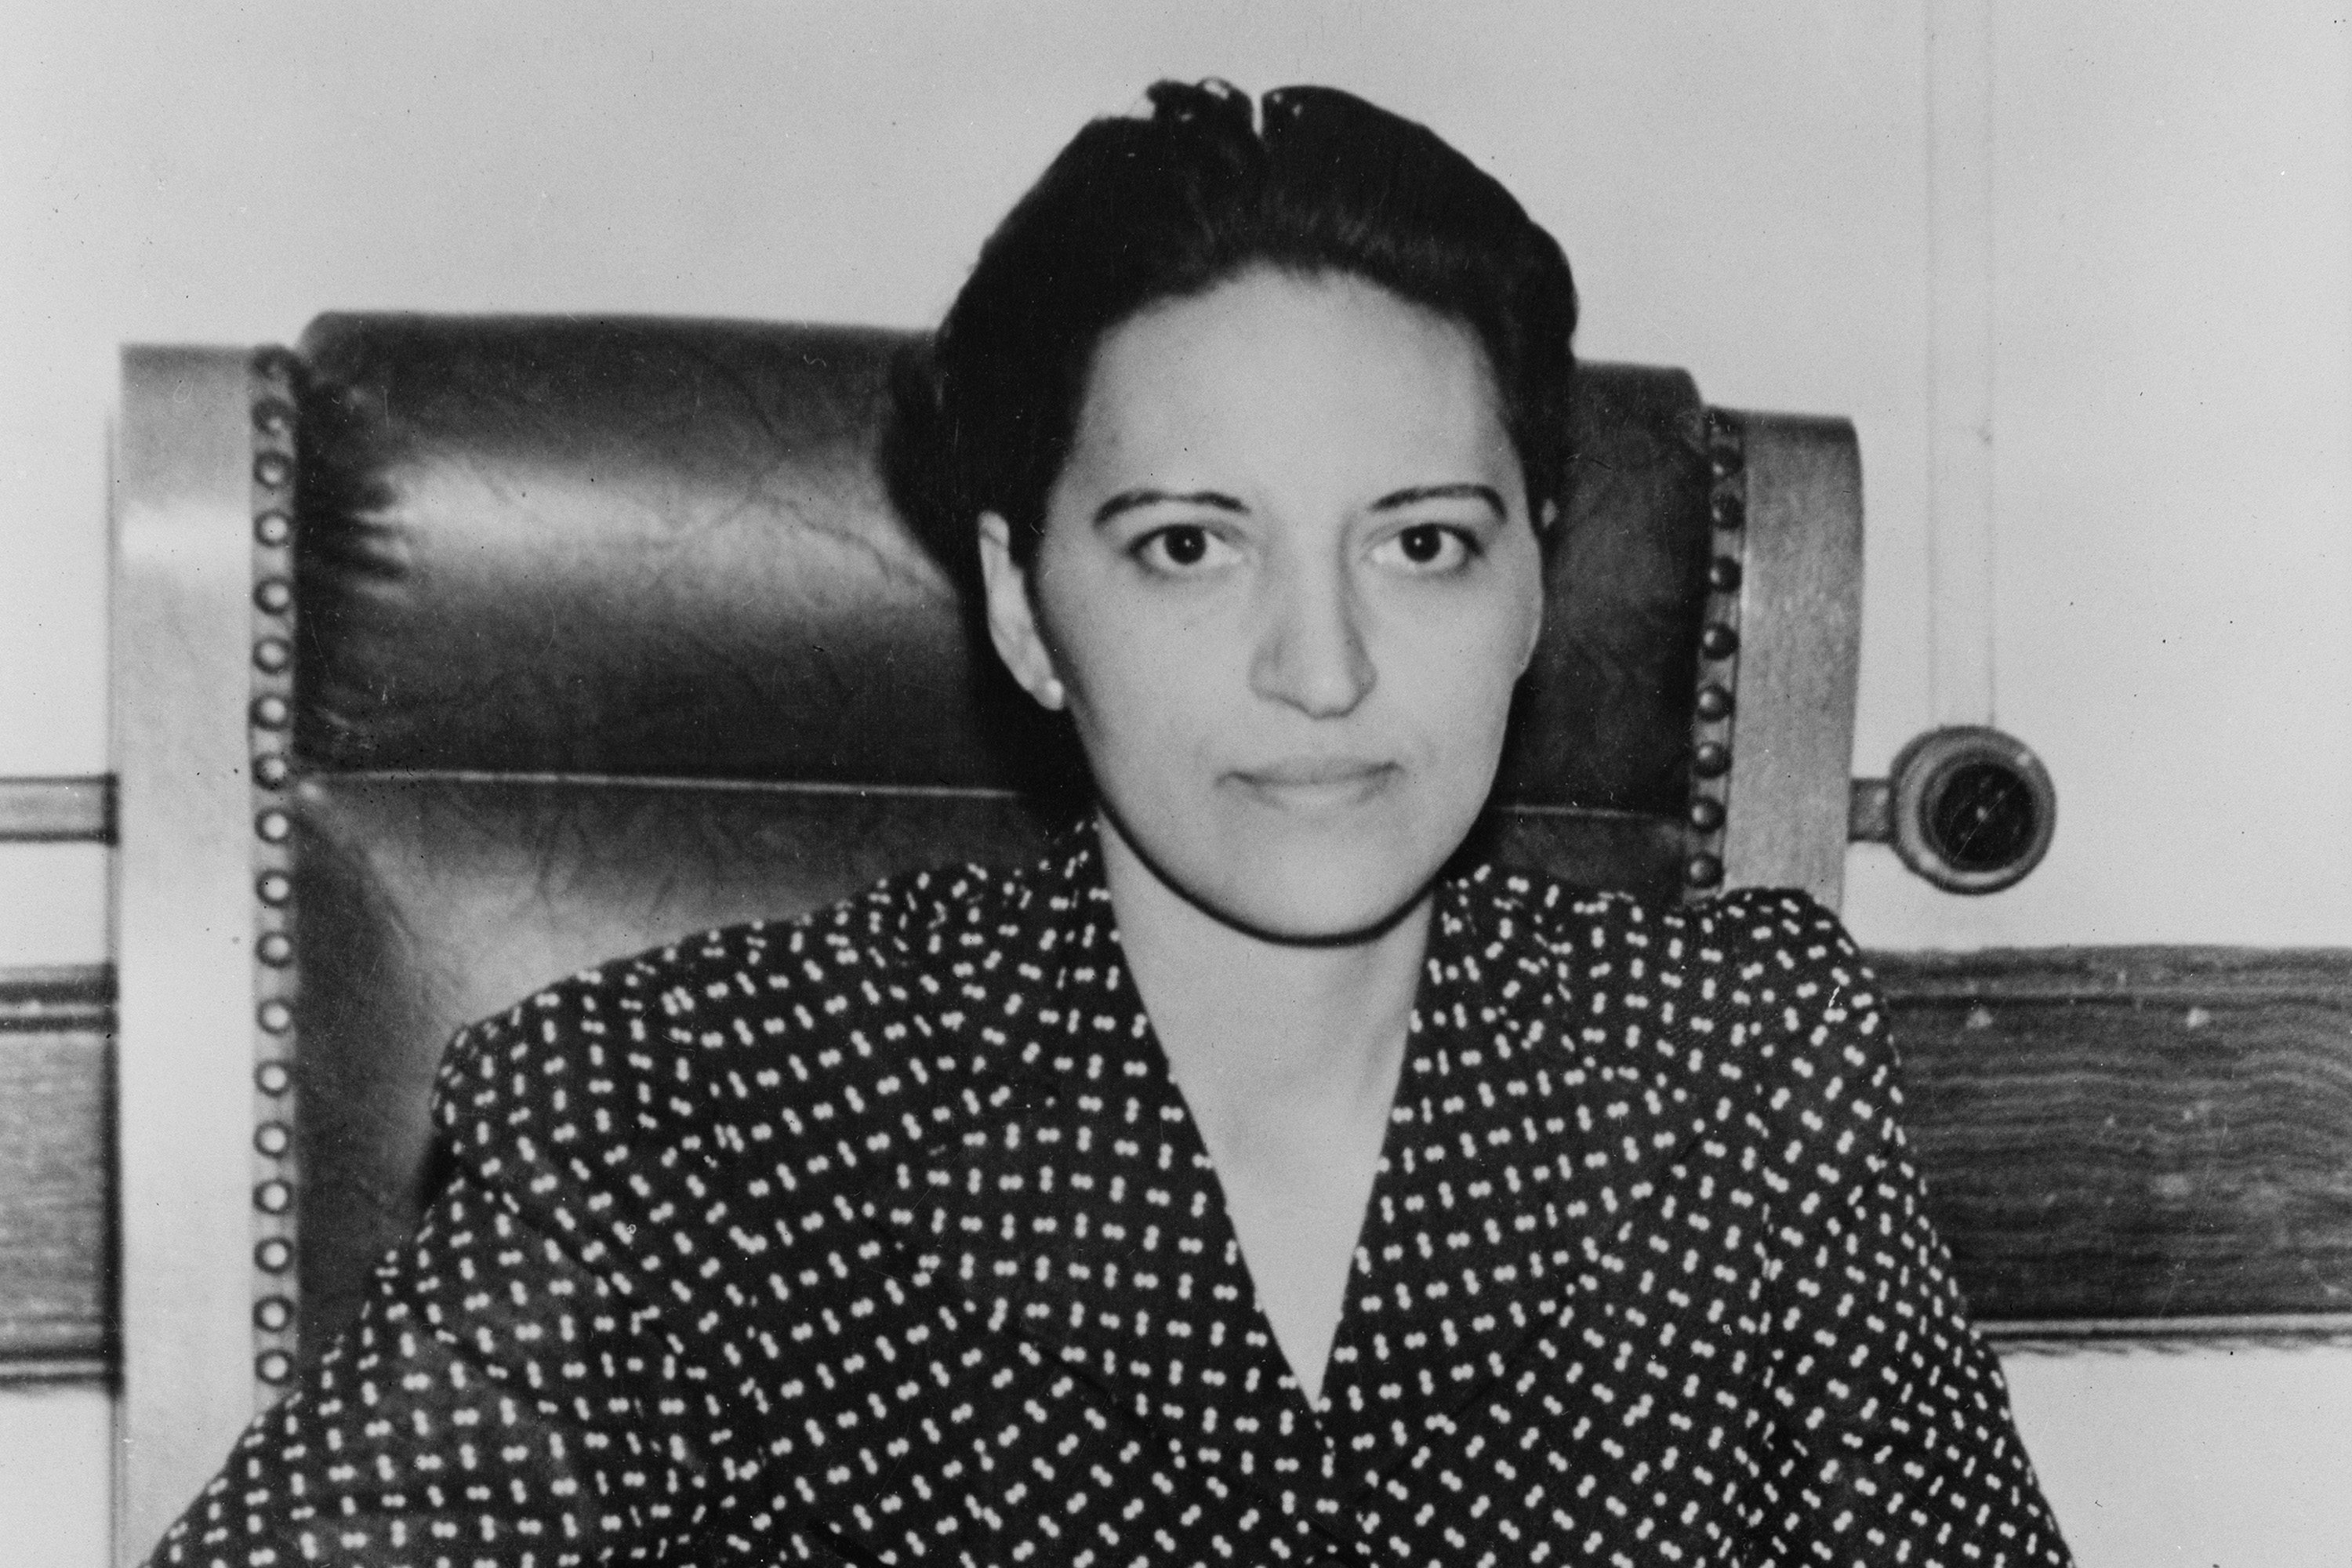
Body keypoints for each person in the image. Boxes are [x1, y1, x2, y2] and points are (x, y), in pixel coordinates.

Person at [151, 81, 2069, 1566]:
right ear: (1021, 605)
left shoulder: (1732, 1065)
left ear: (1537, 585)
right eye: (1184, 547)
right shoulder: (695, 1114)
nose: (1319, 668)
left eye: (1419, 542)